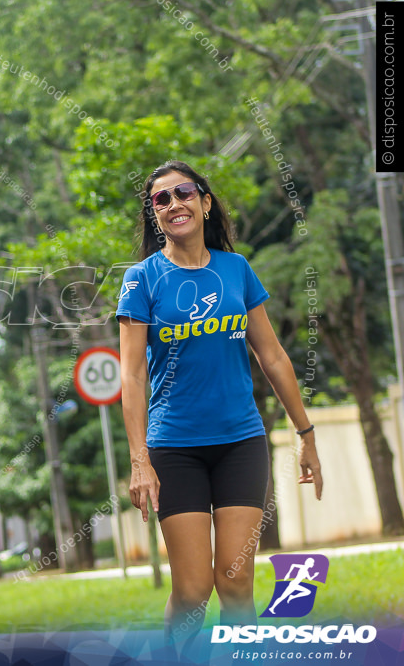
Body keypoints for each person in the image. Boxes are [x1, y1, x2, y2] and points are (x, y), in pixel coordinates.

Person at [116, 160, 323, 650]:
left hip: (240, 442)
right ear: (154, 216)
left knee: (234, 581)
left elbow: (271, 355)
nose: (173, 204)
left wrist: (305, 434)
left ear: (205, 203)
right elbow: (132, 373)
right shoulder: (141, 278)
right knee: (192, 590)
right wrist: (139, 459)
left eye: (183, 193)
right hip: (174, 447)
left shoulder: (237, 269)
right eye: (160, 200)